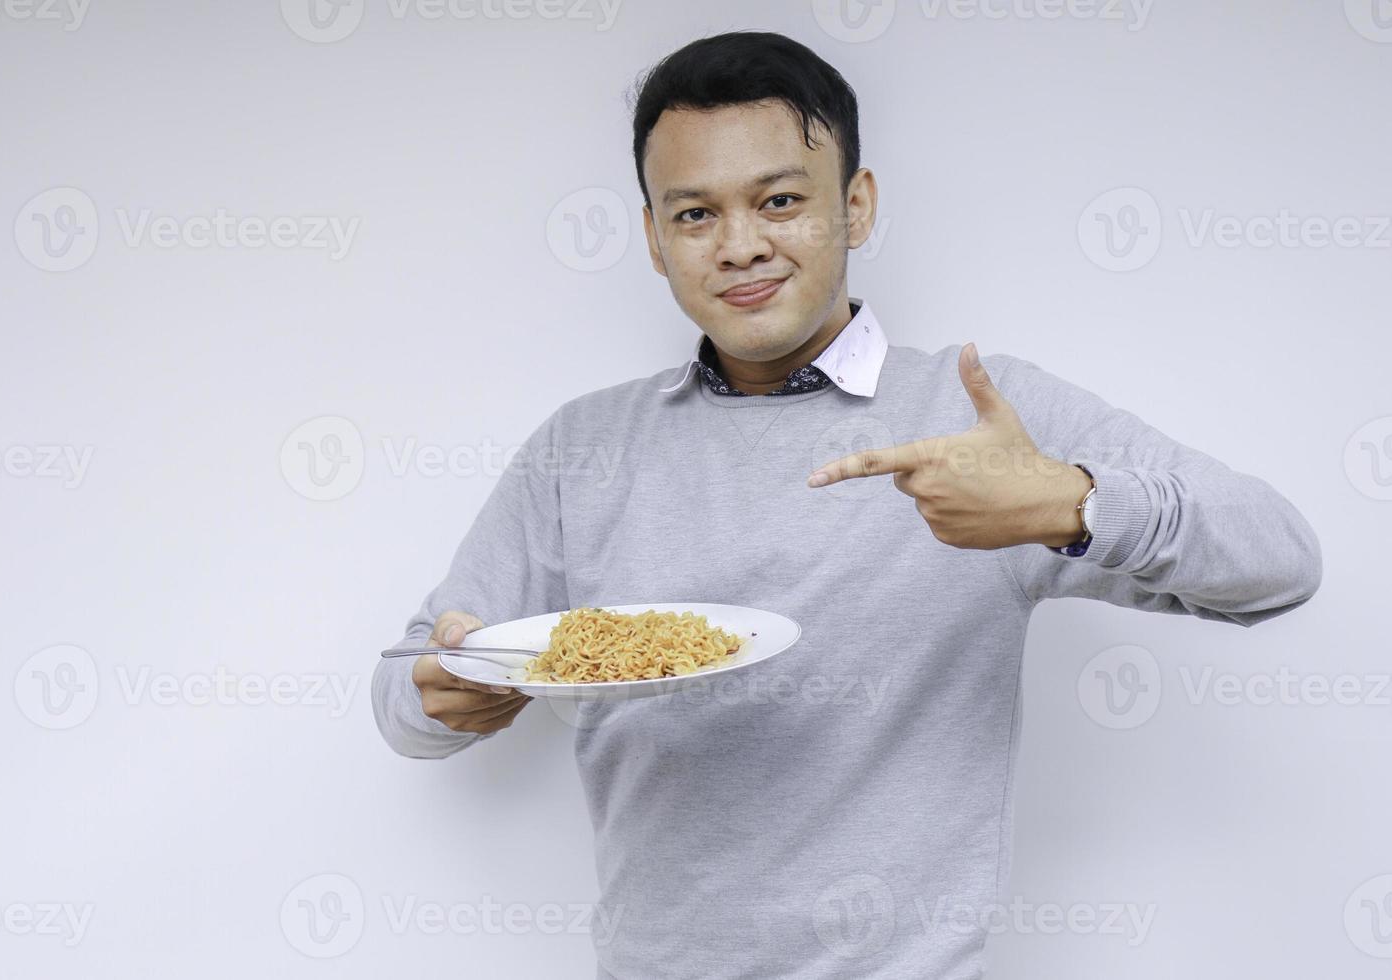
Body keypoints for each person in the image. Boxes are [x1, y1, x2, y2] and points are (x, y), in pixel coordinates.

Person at [371, 30, 1322, 980]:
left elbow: (1281, 561)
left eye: (780, 201)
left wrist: (1070, 505)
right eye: (695, 214)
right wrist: (452, 690)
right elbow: (408, 688)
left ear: (855, 206)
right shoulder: (583, 448)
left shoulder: (979, 417)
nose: (741, 245)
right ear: (656, 241)